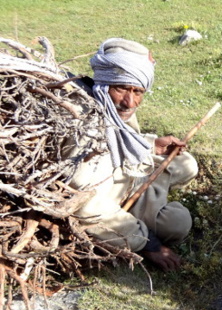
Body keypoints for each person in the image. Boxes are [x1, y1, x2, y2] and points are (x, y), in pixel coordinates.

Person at [66, 38, 198, 272]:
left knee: (186, 164)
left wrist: (151, 145)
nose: (129, 102)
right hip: (105, 196)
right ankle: (144, 215)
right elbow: (87, 206)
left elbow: (122, 138)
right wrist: (148, 244)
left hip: (125, 176)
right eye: (121, 89)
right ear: (103, 84)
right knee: (177, 223)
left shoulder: (112, 104)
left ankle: (151, 201)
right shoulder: (83, 126)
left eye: (138, 91)